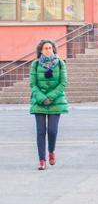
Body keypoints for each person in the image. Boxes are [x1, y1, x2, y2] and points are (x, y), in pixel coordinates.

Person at [29, 39, 68, 171]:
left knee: (52, 130)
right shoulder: (35, 65)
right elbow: (33, 84)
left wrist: (50, 97)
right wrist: (42, 98)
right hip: (39, 102)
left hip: (55, 101)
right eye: (45, 48)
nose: (48, 50)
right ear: (41, 50)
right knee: (40, 132)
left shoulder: (60, 64)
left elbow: (63, 83)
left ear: (53, 50)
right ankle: (42, 160)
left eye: (50, 48)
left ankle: (51, 151)